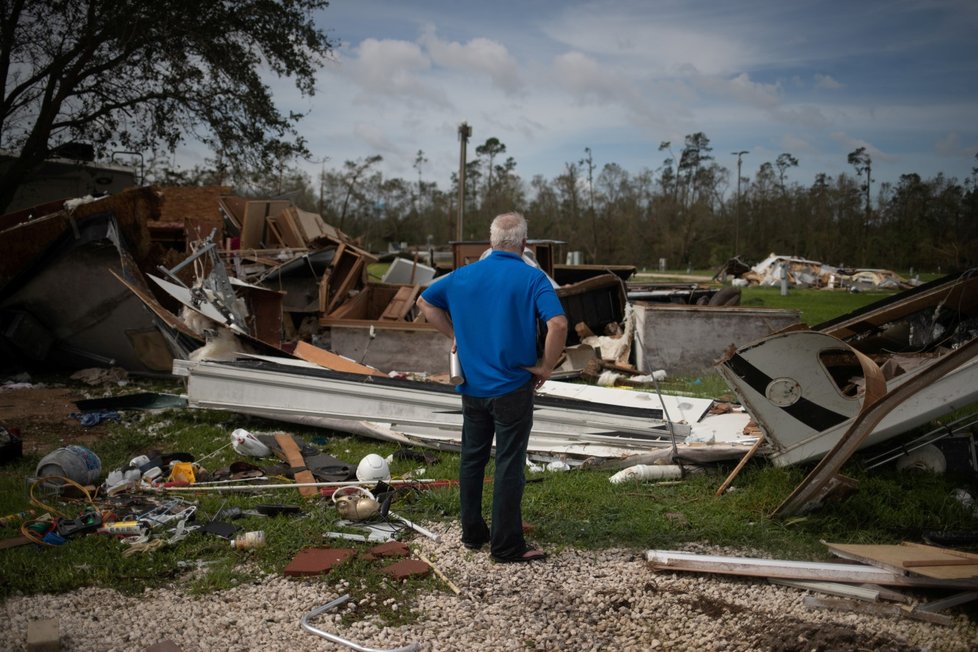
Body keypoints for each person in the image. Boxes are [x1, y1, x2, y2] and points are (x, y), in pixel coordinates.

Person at [417, 212, 568, 563]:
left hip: (472, 387)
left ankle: (472, 533)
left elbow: (425, 302)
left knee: (472, 458)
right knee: (509, 463)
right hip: (513, 387)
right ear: (524, 244)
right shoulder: (533, 279)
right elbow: (558, 323)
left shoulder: (463, 275)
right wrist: (546, 366)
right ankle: (506, 546)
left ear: (492, 241)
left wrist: (454, 334)